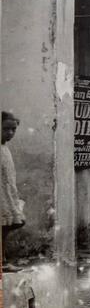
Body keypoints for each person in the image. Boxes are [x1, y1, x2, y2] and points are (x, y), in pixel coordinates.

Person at [2, 111, 25, 272]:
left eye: (13, 130)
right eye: (6, 129)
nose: (10, 133)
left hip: (7, 194)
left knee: (5, 228)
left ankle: (2, 260)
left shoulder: (5, 149)